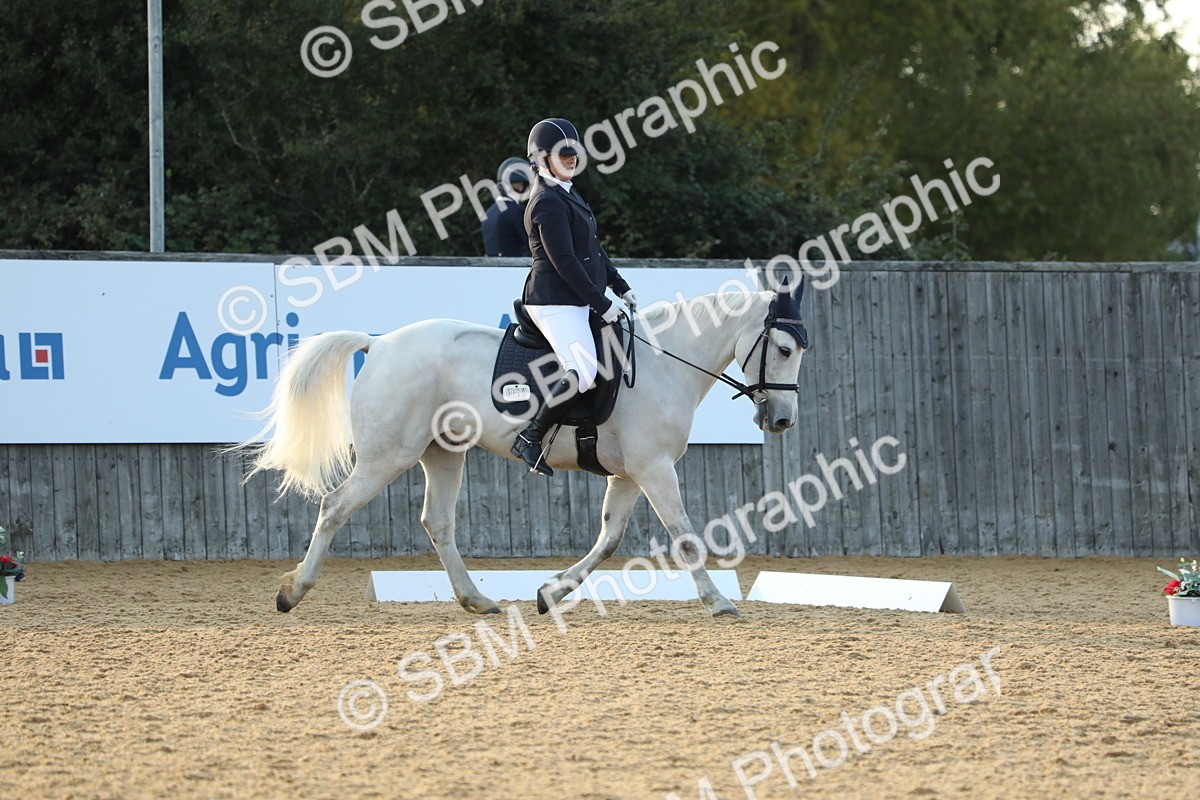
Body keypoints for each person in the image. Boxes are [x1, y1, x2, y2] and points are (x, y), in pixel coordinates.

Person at [510, 118, 637, 476]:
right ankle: (531, 438)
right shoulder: (545, 202)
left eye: (575, 152)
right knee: (581, 370)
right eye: (564, 153)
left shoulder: (569, 193)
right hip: (554, 301)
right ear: (540, 160)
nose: (571, 158)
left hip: (578, 299)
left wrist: (620, 285)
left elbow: (593, 250)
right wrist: (603, 304)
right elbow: (564, 261)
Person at [481, 157, 532, 257]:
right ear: (519, 185)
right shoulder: (517, 211)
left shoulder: (488, 212)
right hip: (516, 267)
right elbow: (531, 244)